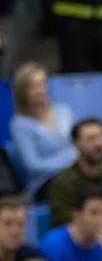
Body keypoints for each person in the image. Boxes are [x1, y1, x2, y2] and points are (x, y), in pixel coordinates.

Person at [9, 62, 77, 197]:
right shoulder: (20, 124)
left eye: (42, 83)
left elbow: (77, 142)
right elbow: (33, 166)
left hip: (74, 172)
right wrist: (68, 162)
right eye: (33, 86)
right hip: (45, 182)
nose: (40, 90)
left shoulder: (64, 111)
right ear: (22, 92)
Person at [47, 118, 102, 228]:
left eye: (101, 137)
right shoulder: (63, 183)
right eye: (91, 139)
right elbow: (63, 222)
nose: (99, 144)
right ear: (76, 144)